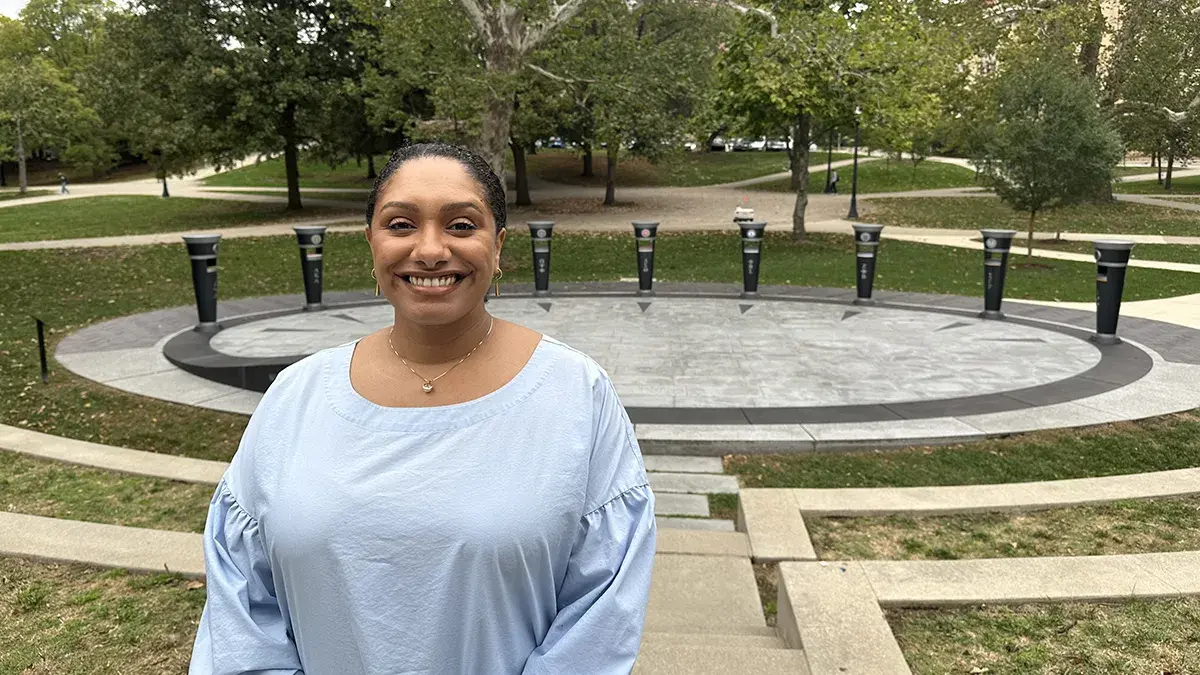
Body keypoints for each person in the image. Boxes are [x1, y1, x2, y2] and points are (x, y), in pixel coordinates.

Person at [189, 142, 657, 675]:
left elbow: (600, 613)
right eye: (401, 224)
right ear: (371, 242)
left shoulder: (575, 394)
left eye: (461, 225)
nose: (431, 250)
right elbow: (243, 605)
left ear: (498, 245)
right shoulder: (295, 398)